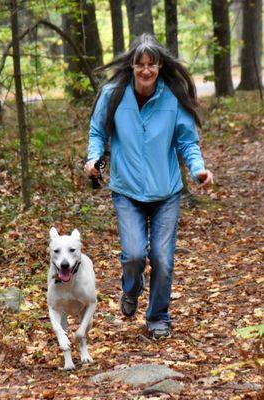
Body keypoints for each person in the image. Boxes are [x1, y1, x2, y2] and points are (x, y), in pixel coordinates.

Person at [84, 33, 213, 339]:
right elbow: (98, 135)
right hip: (127, 191)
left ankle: (157, 319)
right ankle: (131, 289)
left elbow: (187, 141)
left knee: (162, 260)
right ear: (131, 65)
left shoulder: (172, 96)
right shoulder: (113, 94)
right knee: (132, 256)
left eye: (151, 64)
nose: (145, 70)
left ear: (158, 65)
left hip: (166, 192)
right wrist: (95, 163)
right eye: (139, 64)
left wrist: (198, 171)